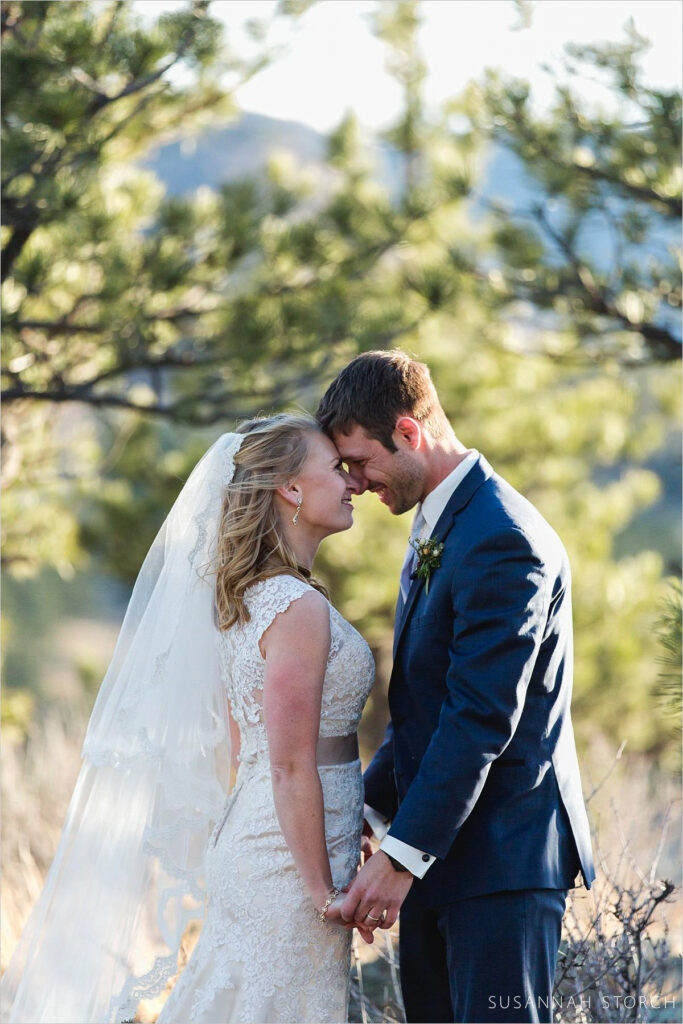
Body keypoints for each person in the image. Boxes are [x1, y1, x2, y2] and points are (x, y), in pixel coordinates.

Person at [0, 414, 375, 1024]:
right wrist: (321, 891)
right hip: (287, 867)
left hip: (273, 840)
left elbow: (250, 746)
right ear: (290, 488)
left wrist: (343, 816)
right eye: (336, 469)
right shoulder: (296, 607)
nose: (352, 482)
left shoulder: (252, 597)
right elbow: (286, 763)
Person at [316, 350, 596, 1024]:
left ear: (408, 432)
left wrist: (400, 856)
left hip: (500, 866)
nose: (354, 482)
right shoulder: (439, 525)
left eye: (359, 461)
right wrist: (364, 810)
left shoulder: (502, 537)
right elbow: (424, 712)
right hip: (438, 858)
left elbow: (478, 717)